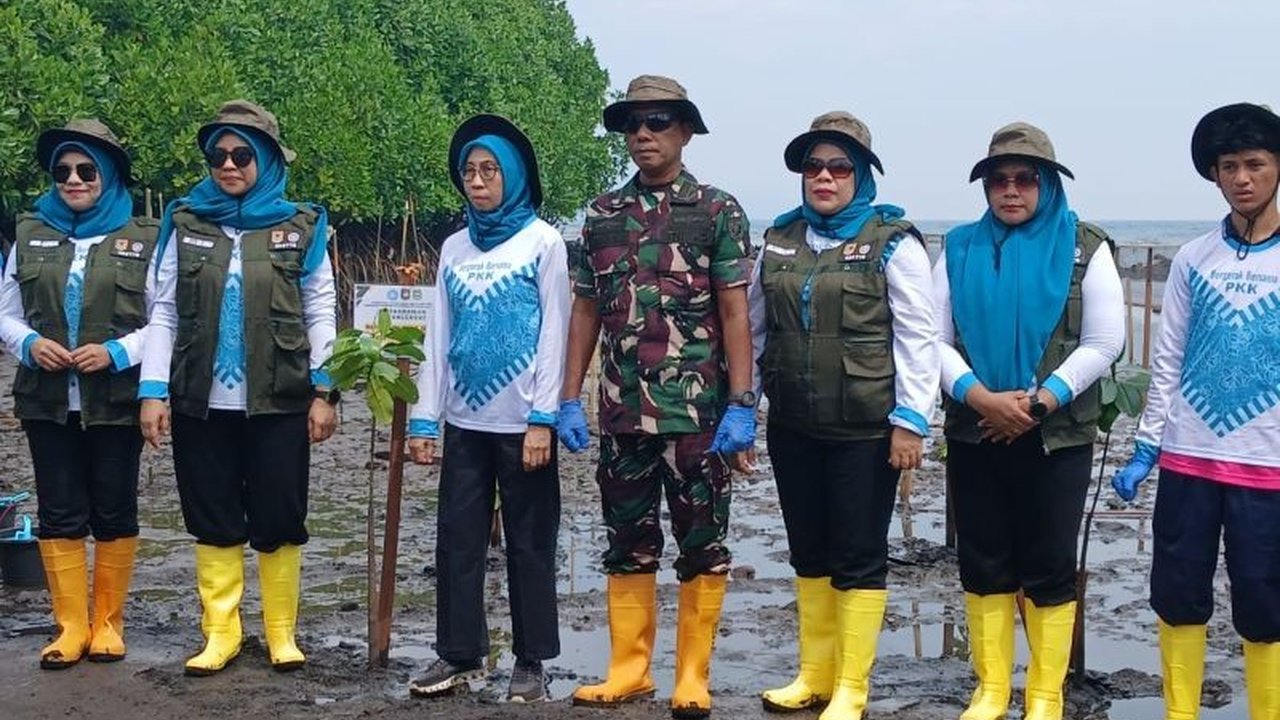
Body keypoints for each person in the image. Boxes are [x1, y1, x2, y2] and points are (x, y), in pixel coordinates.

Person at [557, 74, 756, 719]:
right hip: (621, 411)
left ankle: (692, 676)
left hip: (697, 414)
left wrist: (743, 402)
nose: (644, 134)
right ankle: (629, 670)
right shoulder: (601, 214)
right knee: (627, 542)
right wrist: (568, 396)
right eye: (633, 123)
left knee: (702, 543)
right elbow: (585, 311)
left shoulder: (717, 211)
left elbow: (735, 311)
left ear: (686, 131)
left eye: (659, 121)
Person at [138, 100, 338, 675]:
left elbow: (320, 310)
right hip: (200, 401)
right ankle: (220, 633)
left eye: (242, 155)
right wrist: (152, 390)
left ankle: (281, 633)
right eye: (218, 155)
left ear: (268, 159)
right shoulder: (185, 222)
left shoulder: (301, 226)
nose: (228, 165)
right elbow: (164, 312)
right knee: (212, 513)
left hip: (280, 398)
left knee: (280, 514)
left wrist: (325, 390)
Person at [751, 112, 938, 719]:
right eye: (813, 167)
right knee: (808, 551)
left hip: (865, 429)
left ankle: (851, 687)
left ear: (861, 175)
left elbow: (919, 336)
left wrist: (911, 420)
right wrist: (742, 406)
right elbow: (756, 330)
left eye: (838, 167)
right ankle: (814, 674)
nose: (824, 178)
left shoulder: (893, 242)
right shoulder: (779, 240)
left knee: (858, 555)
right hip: (793, 425)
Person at [935, 122, 1125, 720]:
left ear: (1048, 184)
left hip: (1056, 436)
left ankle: (1045, 694)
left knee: (1049, 563)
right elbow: (932, 339)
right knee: (983, 559)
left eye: (1025, 179)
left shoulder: (1086, 247)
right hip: (976, 428)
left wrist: (1038, 404)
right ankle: (991, 689)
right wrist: (982, 399)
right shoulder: (959, 247)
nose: (1011, 190)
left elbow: (1104, 341)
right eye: (999, 180)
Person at [1112, 102, 1280, 720]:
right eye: (1228, 166)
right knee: (1178, 593)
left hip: (1268, 466)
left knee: (1266, 602)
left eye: (1255, 164)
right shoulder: (1193, 258)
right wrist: (1146, 446)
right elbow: (1168, 359)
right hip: (1189, 460)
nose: (1242, 178)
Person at [404, 114, 569, 703]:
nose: (477, 182)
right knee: (457, 538)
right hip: (464, 424)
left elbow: (554, 332)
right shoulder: (454, 246)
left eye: (490, 170)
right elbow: (438, 335)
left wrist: (542, 418)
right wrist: (425, 419)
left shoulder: (544, 242)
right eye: (469, 172)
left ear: (514, 175)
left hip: (523, 425)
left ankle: (531, 660)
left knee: (529, 542)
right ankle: (460, 653)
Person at [0, 119, 158, 668]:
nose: (73, 180)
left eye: (86, 170)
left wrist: (117, 352)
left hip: (115, 400)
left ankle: (108, 623)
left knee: (114, 508)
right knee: (58, 510)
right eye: (63, 171)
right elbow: (6, 313)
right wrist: (29, 343)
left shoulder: (145, 238)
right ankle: (70, 626)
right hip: (46, 401)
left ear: (108, 175)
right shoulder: (29, 233)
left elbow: (166, 320)